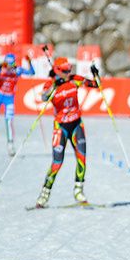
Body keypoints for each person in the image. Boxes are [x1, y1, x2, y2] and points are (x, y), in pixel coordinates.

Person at [34, 57, 100, 208]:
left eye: (69, 69)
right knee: (57, 163)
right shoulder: (50, 84)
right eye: (65, 71)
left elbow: (96, 85)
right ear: (57, 70)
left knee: (82, 158)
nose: (68, 73)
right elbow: (44, 98)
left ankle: (78, 191)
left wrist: (95, 73)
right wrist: (55, 86)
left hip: (76, 124)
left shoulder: (74, 80)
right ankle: (44, 195)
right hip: (61, 127)